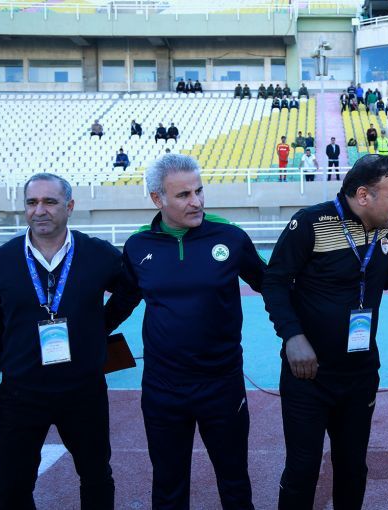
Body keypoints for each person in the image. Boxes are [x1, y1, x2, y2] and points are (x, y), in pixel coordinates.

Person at [0, 173, 136, 509]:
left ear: (69, 206)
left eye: (50, 201)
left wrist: (99, 326)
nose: (39, 210)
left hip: (84, 391)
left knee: (96, 476)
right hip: (20, 393)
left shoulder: (98, 254)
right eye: (32, 202)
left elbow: (131, 290)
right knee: (11, 485)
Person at [262, 154, 388, 510]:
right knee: (302, 469)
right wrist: (293, 336)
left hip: (360, 375)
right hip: (308, 376)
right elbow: (274, 281)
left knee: (353, 467)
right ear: (363, 195)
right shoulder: (310, 223)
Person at [119, 154, 265, 509]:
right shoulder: (138, 246)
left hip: (222, 384)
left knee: (234, 481)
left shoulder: (230, 236)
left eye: (199, 191)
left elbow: (271, 285)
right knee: (168, 485)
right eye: (183, 195)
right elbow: (122, 302)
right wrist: (82, 337)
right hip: (162, 389)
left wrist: (299, 331)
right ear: (157, 199)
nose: (196, 201)